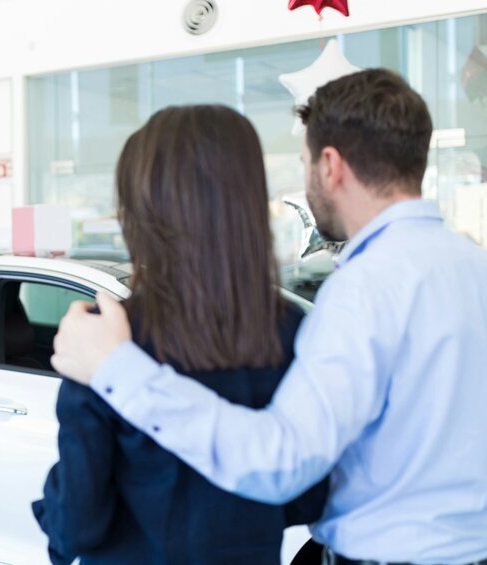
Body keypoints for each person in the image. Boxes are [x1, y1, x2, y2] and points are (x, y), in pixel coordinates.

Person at [51, 69, 487, 564]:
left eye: (303, 163)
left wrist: (114, 368)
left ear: (330, 165)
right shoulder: (475, 269)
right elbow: (303, 494)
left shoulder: (362, 290)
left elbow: (282, 463)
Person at [31, 105, 327, 564]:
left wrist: (55, 496)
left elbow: (77, 527)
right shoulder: (290, 329)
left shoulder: (105, 333)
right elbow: (308, 498)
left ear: (142, 211)